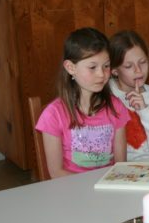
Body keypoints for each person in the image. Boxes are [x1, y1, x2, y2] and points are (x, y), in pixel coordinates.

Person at [36, 27, 129, 178]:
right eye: (92, 67)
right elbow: (56, 172)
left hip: (107, 186)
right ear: (70, 67)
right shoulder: (53, 114)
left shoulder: (116, 107)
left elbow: (120, 164)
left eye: (106, 66)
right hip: (72, 190)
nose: (101, 74)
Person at [109, 30, 149, 160]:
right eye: (128, 66)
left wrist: (144, 110)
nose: (138, 70)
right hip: (122, 170)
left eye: (142, 62)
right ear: (114, 71)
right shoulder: (106, 95)